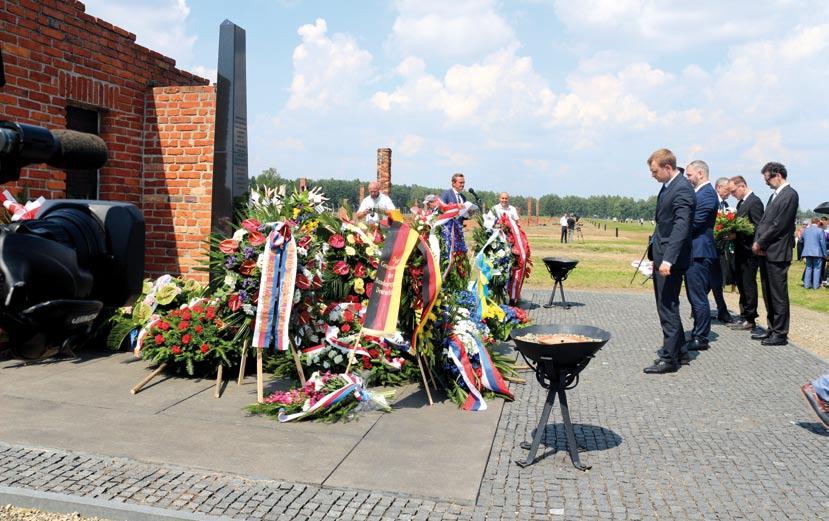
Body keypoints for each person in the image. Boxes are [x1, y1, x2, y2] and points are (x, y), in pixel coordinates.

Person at [643, 148, 694, 374]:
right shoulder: (669, 187)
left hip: (670, 260)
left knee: (667, 306)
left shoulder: (682, 189)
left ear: (667, 167)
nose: (652, 175)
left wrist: (668, 260)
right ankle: (680, 350)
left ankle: (669, 358)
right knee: (668, 303)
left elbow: (680, 228)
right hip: (662, 254)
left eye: (655, 171)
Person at [751, 162, 799, 346]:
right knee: (768, 293)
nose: (766, 183)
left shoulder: (789, 195)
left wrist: (760, 242)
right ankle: (772, 328)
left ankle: (780, 332)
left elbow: (779, 225)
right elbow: (764, 222)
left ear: (778, 175)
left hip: (777, 252)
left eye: (768, 178)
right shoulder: (775, 196)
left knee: (778, 294)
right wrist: (758, 241)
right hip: (767, 252)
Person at [682, 161, 718, 351]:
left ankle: (701, 337)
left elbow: (694, 223)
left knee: (698, 297)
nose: (687, 178)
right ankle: (698, 330)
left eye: (689, 175)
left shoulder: (707, 195)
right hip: (694, 251)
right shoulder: (700, 193)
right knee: (693, 295)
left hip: (699, 252)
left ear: (701, 173)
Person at [727, 176, 765, 333]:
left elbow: (758, 228)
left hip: (749, 252)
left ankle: (750, 318)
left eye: (733, 191)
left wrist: (738, 234)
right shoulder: (742, 203)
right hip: (740, 251)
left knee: (748, 285)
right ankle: (744, 315)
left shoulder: (754, 202)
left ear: (742, 186)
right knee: (742, 284)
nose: (732, 194)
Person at [801, 217, 826, 289]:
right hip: (817, 253)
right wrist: (825, 254)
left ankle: (806, 285)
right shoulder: (820, 230)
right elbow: (823, 243)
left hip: (807, 252)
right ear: (818, 223)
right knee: (817, 269)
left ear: (812, 222)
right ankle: (815, 286)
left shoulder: (805, 230)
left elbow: (801, 240)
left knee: (808, 268)